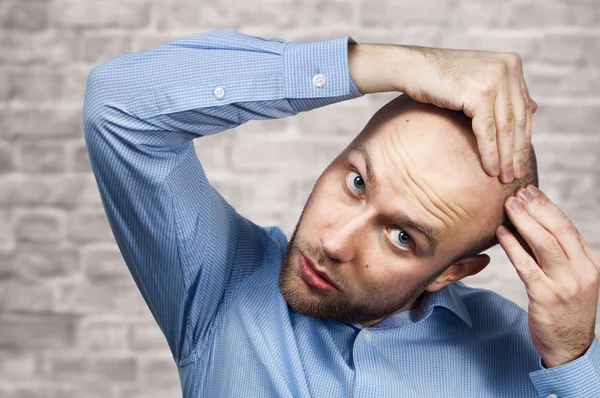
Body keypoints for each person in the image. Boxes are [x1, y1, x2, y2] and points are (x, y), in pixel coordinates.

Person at [82, 29, 600, 397]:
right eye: (357, 181)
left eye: (402, 237)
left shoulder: (525, 357)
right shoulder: (218, 283)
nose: (334, 242)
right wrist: (396, 64)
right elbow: (119, 105)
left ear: (452, 271)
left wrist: (576, 359)